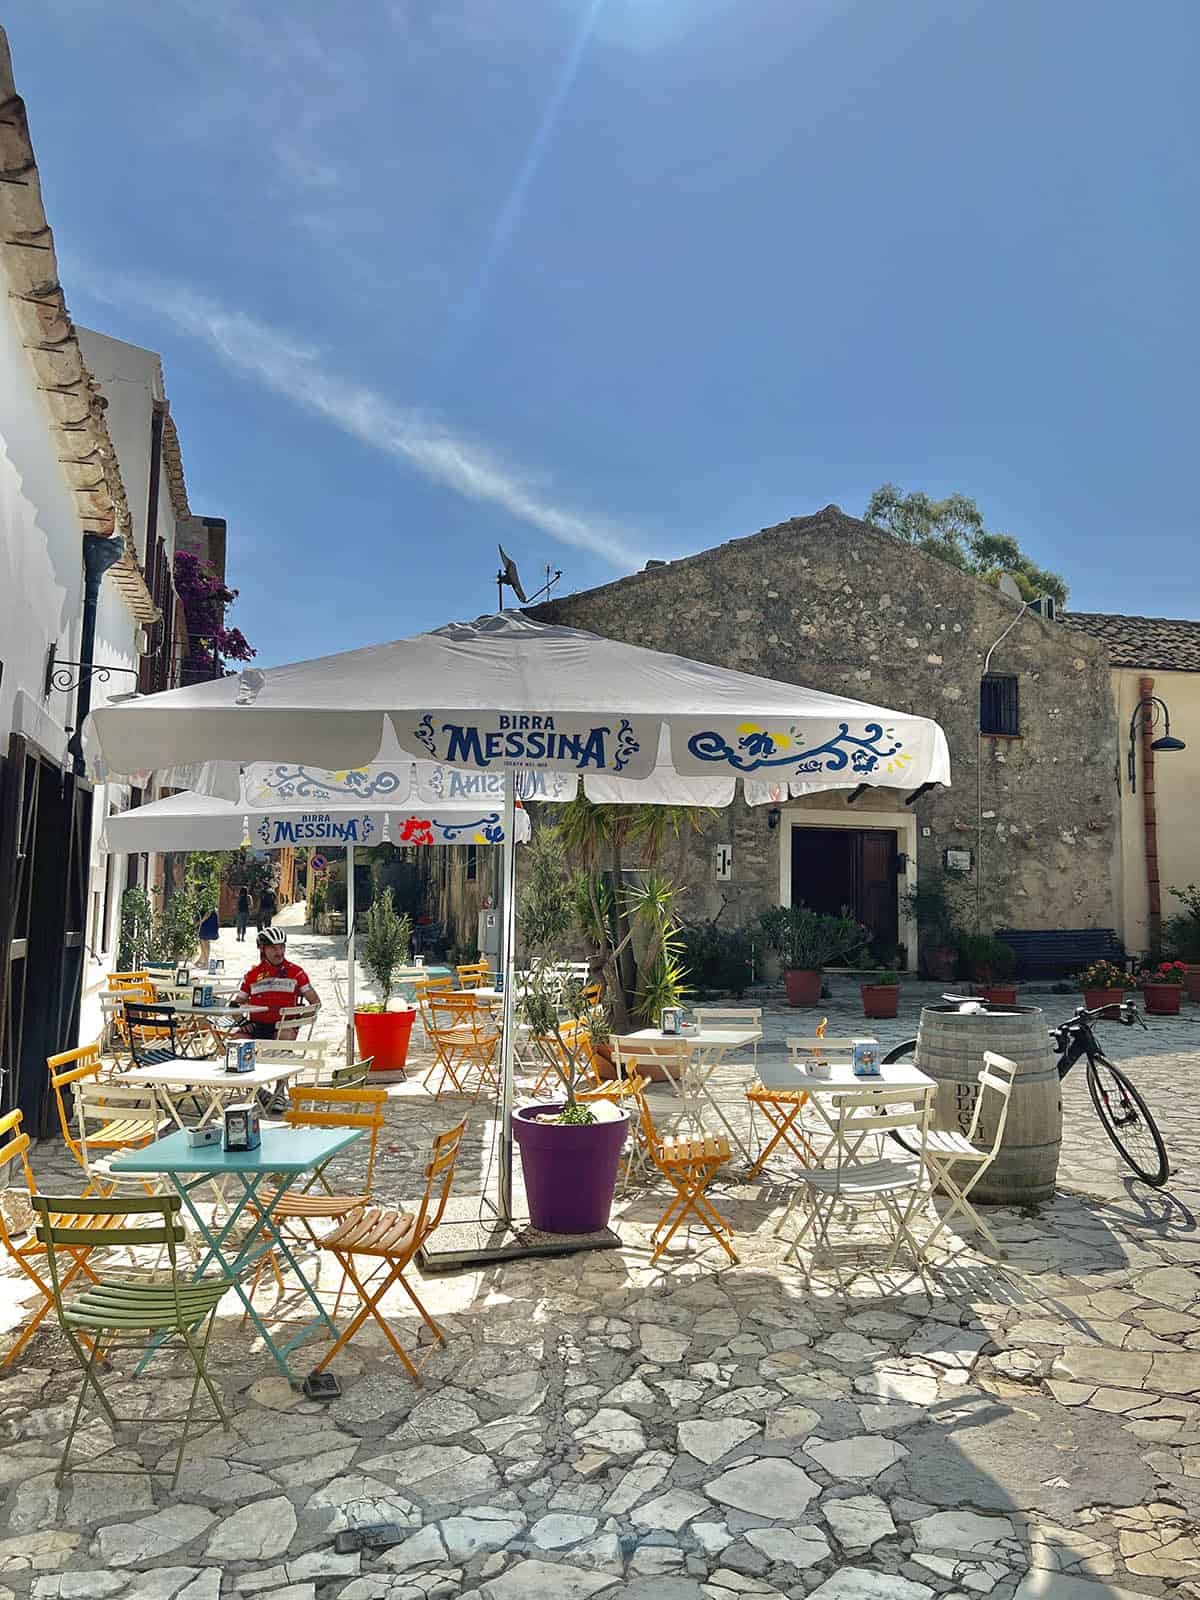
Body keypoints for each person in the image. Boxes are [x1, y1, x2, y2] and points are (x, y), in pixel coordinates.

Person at [235, 926, 320, 1040]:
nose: (279, 952)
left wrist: (296, 1024)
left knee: (283, 1038)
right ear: (262, 948)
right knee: (235, 1043)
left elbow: (316, 1003)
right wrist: (242, 1022)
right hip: (257, 1026)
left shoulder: (296, 973)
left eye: (282, 947)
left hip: (284, 1027)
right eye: (273, 948)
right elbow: (235, 1005)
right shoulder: (252, 975)